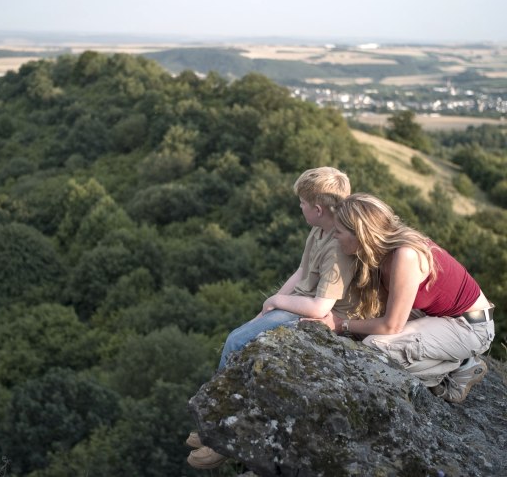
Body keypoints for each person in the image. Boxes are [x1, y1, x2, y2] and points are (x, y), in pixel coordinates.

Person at [187, 166, 359, 470]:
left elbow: (321, 307)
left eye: (303, 204)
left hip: (321, 315)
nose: (300, 207)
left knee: (237, 341)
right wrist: (268, 307)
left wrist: (279, 302)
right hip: (300, 303)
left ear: (317, 209)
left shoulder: (337, 247)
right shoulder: (318, 230)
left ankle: (218, 432)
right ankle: (216, 420)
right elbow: (302, 273)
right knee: (246, 334)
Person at [323, 193, 495, 404]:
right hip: (438, 318)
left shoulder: (405, 255)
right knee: (363, 329)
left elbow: (391, 326)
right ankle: (445, 358)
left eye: (339, 232)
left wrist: (342, 325)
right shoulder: (382, 251)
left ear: (360, 235)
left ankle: (460, 365)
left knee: (374, 349)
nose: (334, 237)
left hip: (470, 326)